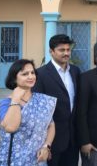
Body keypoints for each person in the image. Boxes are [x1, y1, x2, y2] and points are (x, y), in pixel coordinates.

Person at [33, 34, 81, 166]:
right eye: (62, 50)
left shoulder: (75, 71)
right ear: (51, 51)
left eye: (68, 49)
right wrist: (44, 145)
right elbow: (38, 111)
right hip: (52, 140)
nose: (66, 53)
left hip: (73, 139)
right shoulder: (40, 74)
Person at [0, 59, 56, 166]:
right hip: (14, 160)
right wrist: (15, 100)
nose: (30, 76)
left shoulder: (42, 100)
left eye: (32, 73)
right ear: (14, 78)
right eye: (25, 74)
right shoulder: (6, 103)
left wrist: (46, 146)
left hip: (38, 160)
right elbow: (11, 127)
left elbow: (51, 125)